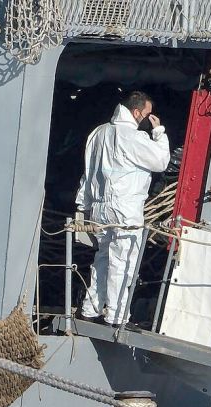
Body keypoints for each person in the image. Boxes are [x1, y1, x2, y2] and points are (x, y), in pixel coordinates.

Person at [74, 91, 170, 328]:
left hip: (99, 208)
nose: (148, 119)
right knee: (123, 262)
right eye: (147, 115)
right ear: (137, 112)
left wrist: (83, 205)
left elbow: (89, 172)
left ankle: (90, 308)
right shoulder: (133, 137)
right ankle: (116, 316)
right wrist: (159, 133)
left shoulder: (98, 133)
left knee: (103, 259)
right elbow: (160, 161)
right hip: (125, 208)